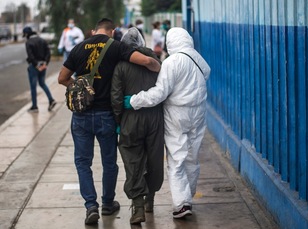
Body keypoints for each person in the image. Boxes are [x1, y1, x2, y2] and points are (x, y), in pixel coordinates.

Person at [57, 18, 161, 225]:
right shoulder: (116, 46)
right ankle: (107, 203)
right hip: (105, 115)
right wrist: (158, 65)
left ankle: (90, 206)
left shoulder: (78, 48)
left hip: (81, 116)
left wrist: (80, 87)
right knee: (109, 163)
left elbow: (62, 78)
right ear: (112, 32)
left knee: (82, 162)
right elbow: (146, 61)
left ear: (94, 31)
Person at [123, 27, 211, 219]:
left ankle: (181, 203)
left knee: (176, 158)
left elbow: (159, 93)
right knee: (192, 157)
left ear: (170, 42)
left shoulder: (171, 62)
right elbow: (206, 73)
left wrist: (134, 101)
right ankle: (188, 198)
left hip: (177, 113)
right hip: (198, 112)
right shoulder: (198, 58)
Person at [110, 27, 164, 224]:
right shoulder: (157, 62)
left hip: (130, 119)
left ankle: (138, 207)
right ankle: (150, 199)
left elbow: (116, 98)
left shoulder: (120, 66)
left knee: (133, 161)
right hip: (155, 118)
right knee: (154, 159)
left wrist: (118, 121)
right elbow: (165, 89)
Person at [23, 26, 57, 113]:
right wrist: (45, 63)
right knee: (42, 83)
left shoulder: (28, 42)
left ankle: (34, 106)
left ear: (26, 34)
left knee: (33, 86)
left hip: (34, 67)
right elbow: (48, 53)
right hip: (43, 65)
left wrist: (36, 65)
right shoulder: (42, 40)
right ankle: (51, 100)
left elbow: (31, 56)